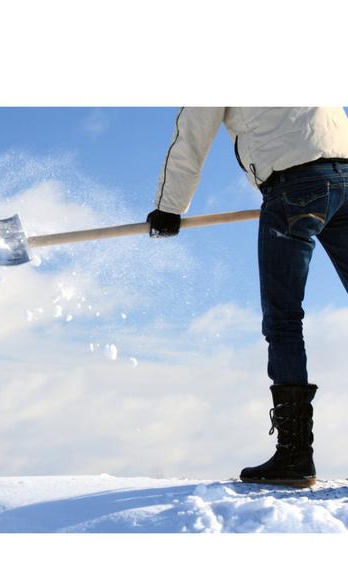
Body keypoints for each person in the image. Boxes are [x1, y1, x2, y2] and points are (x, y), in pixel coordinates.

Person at [147, 107, 348, 488]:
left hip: (294, 186)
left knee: (284, 321)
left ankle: (295, 456)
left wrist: (168, 209)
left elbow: (191, 135)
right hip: (346, 172)